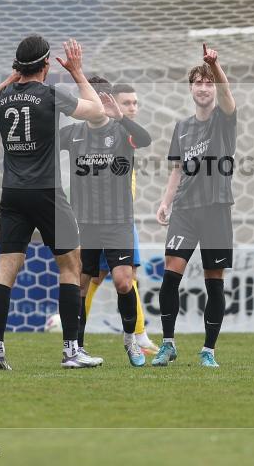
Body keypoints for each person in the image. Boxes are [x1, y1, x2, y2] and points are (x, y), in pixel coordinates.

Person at [0, 36, 105, 370]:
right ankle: (71, 351)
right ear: (46, 66)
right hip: (46, 192)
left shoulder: (3, 98)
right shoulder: (49, 95)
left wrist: (8, 80)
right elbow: (96, 110)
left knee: (7, 266)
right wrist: (77, 72)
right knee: (71, 265)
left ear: (19, 67)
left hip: (12, 193)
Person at [152, 44, 236, 368]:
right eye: (198, 82)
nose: (204, 87)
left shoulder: (224, 120)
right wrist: (165, 202)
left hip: (216, 207)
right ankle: (168, 345)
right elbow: (177, 169)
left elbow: (229, 98)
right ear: (191, 89)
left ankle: (208, 351)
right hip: (185, 210)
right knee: (170, 274)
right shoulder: (182, 127)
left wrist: (215, 67)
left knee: (214, 279)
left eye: (208, 82)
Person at [61, 76, 152, 366]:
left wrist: (122, 117)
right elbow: (43, 145)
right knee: (81, 287)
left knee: (124, 282)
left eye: (102, 97)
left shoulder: (121, 130)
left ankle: (130, 339)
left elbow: (146, 140)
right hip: (84, 223)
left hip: (118, 222)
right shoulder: (74, 133)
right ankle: (77, 348)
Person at [82, 82, 159, 355]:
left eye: (135, 103)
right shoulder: (104, 132)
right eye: (127, 103)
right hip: (103, 219)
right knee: (99, 276)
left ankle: (137, 335)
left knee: (114, 276)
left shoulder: (124, 131)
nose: (133, 108)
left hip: (121, 218)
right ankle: (138, 335)